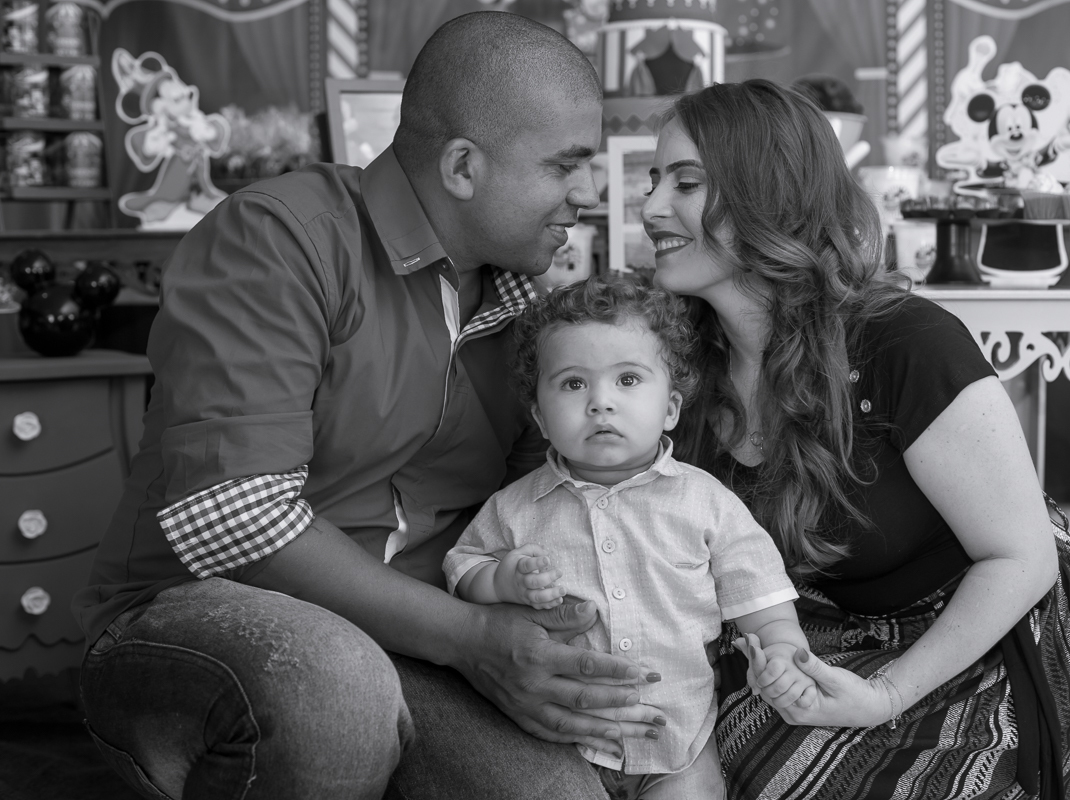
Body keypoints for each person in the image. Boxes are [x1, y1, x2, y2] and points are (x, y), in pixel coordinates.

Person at [72, 13, 665, 800]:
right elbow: (234, 513)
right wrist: (471, 639)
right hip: (190, 620)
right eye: (567, 166)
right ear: (462, 166)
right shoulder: (280, 238)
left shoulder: (526, 304)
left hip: (418, 637)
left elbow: (536, 502)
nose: (589, 195)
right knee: (334, 691)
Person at [640, 78, 1070, 800]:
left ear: (765, 195)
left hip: (987, 634)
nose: (648, 207)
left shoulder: (904, 343)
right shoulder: (678, 361)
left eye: (684, 182)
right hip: (817, 631)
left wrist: (888, 695)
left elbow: (1021, 558)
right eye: (652, 180)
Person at [444, 276, 813, 800]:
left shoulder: (706, 503)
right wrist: (500, 579)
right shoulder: (515, 507)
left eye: (629, 380)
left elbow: (766, 607)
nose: (600, 403)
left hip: (677, 745)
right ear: (540, 419)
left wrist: (781, 655)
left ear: (670, 409)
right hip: (558, 745)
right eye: (573, 384)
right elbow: (463, 568)